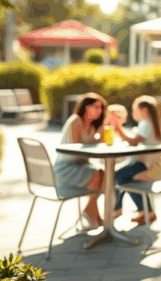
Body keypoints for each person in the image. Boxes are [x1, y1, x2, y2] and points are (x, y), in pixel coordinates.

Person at [110, 96, 161, 225]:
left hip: (148, 166)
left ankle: (118, 208)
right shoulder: (152, 124)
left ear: (144, 110)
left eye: (134, 109)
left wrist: (117, 128)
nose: (132, 113)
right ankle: (145, 211)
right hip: (151, 164)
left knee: (117, 176)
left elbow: (133, 143)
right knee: (123, 178)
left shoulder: (146, 124)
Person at [54, 92, 107, 227]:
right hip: (66, 168)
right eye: (95, 106)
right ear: (85, 107)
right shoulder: (76, 120)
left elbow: (97, 143)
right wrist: (97, 137)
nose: (99, 110)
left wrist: (102, 131)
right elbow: (77, 147)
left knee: (105, 175)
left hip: (82, 166)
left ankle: (90, 210)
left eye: (101, 108)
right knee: (99, 175)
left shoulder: (92, 126)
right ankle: (92, 212)